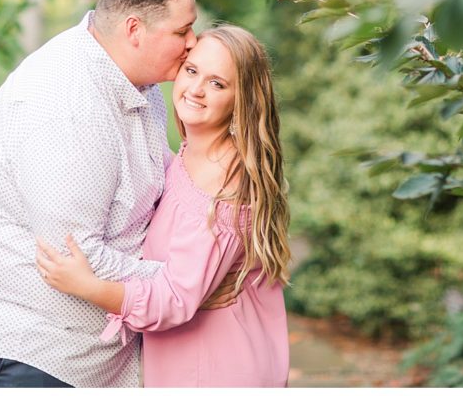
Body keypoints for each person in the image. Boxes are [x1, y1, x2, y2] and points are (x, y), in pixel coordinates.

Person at [0, 0, 235, 388]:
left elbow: (162, 193)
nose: (193, 42)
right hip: (25, 354)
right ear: (135, 30)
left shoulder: (141, 83)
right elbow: (74, 255)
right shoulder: (66, 106)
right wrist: (190, 282)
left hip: (84, 354)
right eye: (182, 31)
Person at [36, 25, 291, 387]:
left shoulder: (223, 178)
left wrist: (88, 286)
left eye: (218, 84)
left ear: (243, 100)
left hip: (214, 367)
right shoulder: (194, 155)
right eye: (192, 71)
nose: (197, 90)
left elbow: (174, 297)